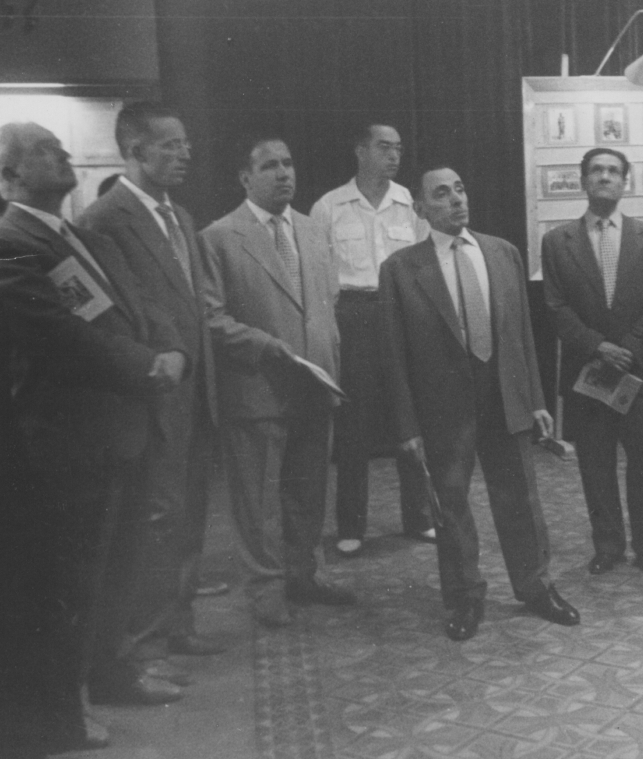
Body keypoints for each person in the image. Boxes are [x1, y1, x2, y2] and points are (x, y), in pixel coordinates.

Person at [0, 122, 187, 721]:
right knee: (71, 581)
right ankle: (63, 713)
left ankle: (109, 675)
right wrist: (150, 364)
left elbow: (140, 304)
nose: (63, 153)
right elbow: (65, 338)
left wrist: (171, 347)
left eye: (60, 145)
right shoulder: (12, 241)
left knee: (117, 569)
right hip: (69, 440)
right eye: (43, 150)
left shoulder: (80, 236)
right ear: (9, 175)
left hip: (120, 430)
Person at [378, 164, 580, 641]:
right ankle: (465, 597)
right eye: (442, 194)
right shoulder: (402, 270)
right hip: (444, 409)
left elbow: (522, 337)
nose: (456, 200)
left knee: (521, 499)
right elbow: (393, 358)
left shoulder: (502, 253)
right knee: (451, 505)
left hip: (504, 398)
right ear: (422, 208)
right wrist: (407, 426)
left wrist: (535, 399)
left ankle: (535, 586)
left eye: (461, 189)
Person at [76, 103, 225, 685]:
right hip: (151, 394)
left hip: (194, 390)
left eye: (185, 144)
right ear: (134, 152)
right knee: (154, 519)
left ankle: (178, 624)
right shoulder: (103, 220)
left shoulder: (180, 216)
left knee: (188, 514)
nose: (184, 154)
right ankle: (140, 648)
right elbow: (112, 317)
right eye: (169, 146)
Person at [199, 135, 353, 629]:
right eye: (269, 166)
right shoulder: (220, 237)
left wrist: (329, 361)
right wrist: (265, 346)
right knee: (259, 497)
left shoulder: (310, 230)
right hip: (258, 387)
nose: (284, 173)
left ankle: (303, 575)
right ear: (246, 178)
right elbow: (210, 318)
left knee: (308, 492)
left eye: (288, 163)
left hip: (314, 384)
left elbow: (325, 306)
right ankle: (266, 590)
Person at [542, 148, 643, 576]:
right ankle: (608, 544)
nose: (605, 177)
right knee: (595, 464)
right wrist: (598, 347)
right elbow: (556, 308)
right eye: (596, 170)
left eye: (614, 171)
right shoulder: (557, 241)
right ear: (583, 181)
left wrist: (628, 349)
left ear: (625, 182)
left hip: (638, 373)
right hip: (588, 372)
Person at [309, 123, 434, 557]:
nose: (394, 155)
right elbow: (321, 276)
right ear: (360, 150)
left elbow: (425, 264)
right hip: (354, 314)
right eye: (384, 147)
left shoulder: (411, 205)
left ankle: (419, 516)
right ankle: (351, 525)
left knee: (411, 415)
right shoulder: (328, 207)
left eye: (399, 148)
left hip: (402, 311)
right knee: (353, 425)